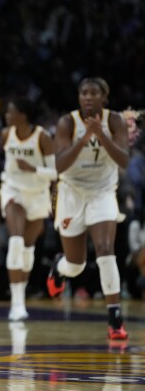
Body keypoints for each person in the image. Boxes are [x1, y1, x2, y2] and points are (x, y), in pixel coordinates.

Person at [48, 77, 129, 340]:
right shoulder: (67, 123)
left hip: (102, 191)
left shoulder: (115, 121)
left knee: (106, 250)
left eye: (94, 93)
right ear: (79, 97)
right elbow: (59, 165)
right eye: (84, 93)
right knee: (76, 264)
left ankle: (115, 319)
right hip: (72, 192)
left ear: (104, 98)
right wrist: (85, 138)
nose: (88, 97)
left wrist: (101, 134)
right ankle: (59, 267)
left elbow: (124, 160)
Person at [0, 98, 56, 321]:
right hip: (13, 191)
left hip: (37, 195)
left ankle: (21, 295)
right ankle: (16, 304)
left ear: (22, 115)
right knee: (15, 240)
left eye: (10, 110)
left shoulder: (42, 137)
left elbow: (54, 173)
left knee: (28, 250)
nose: (6, 115)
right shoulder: (6, 134)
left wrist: (32, 169)